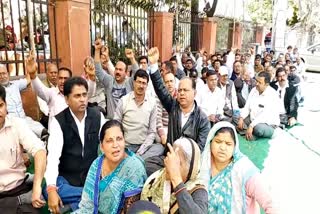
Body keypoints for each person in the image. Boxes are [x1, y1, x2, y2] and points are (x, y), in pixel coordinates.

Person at [43, 77, 106, 213]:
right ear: (66, 99)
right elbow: (53, 158)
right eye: (77, 96)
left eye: (84, 95)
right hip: (65, 180)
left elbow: (107, 144)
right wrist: (52, 189)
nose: (83, 99)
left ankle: (76, 205)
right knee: (49, 191)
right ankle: (90, 198)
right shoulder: (58, 122)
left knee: (102, 188)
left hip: (90, 177)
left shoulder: (97, 116)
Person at [200, 121, 276, 213]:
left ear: (235, 147)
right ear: (210, 142)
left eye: (228, 144)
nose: (222, 148)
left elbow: (270, 205)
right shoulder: (202, 164)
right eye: (218, 142)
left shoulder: (244, 170)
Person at [74, 120, 147, 214]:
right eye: (109, 141)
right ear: (102, 146)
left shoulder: (134, 168)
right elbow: (87, 204)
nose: (115, 145)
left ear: (124, 141)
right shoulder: (97, 164)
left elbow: (130, 210)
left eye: (119, 139)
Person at [0, 85, 47, 213]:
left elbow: (39, 151)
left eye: (0, 105)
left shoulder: (16, 124)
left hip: (17, 188)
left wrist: (37, 188)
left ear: (6, 105)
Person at [141, 138, 208, 214]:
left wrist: (176, 179)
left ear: (190, 168)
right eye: (170, 158)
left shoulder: (197, 189)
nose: (170, 166)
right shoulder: (155, 180)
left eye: (176, 163)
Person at [114, 70, 162, 160]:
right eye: (139, 82)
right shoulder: (124, 101)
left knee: (159, 148)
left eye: (144, 83)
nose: (141, 86)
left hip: (144, 147)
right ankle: (136, 160)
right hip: (127, 145)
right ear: (134, 83)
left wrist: (141, 151)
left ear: (147, 85)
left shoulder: (152, 103)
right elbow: (115, 125)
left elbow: (152, 132)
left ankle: (135, 160)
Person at [0, 63, 46, 139]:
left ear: (8, 74)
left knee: (44, 131)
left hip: (25, 119)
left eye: (4, 73)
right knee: (30, 137)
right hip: (11, 123)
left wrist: (29, 64)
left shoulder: (15, 84)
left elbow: (28, 79)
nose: (2, 76)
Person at [94, 39, 137, 119]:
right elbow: (98, 70)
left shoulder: (130, 82)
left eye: (120, 70)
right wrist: (97, 50)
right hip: (112, 121)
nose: (117, 71)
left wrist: (132, 58)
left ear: (126, 72)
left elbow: (137, 73)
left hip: (126, 121)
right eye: (116, 69)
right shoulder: (110, 81)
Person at [237, 72, 280, 140]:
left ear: (267, 84)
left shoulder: (272, 95)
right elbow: (247, 107)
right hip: (252, 119)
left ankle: (252, 134)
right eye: (256, 81)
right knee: (237, 120)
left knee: (258, 129)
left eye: (259, 82)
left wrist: (251, 126)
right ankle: (249, 133)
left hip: (267, 124)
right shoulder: (254, 90)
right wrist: (241, 118)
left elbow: (264, 115)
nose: (256, 84)